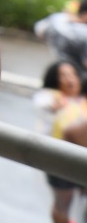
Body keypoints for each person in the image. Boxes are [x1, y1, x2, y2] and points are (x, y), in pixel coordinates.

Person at [35, 60, 87, 223]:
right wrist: (53, 104)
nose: (69, 79)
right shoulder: (54, 97)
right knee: (63, 203)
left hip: (79, 159)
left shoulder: (81, 101)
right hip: (59, 158)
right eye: (63, 75)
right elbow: (42, 100)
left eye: (73, 74)